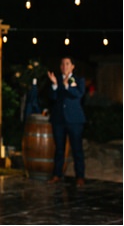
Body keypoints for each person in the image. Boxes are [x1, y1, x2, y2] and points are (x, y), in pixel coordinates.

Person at [47, 57, 86, 187]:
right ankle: (57, 174)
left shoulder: (79, 80)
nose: (64, 66)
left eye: (67, 64)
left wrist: (67, 86)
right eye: (62, 64)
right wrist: (54, 85)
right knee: (59, 149)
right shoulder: (57, 79)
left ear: (73, 66)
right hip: (59, 120)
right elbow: (53, 97)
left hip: (74, 120)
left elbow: (79, 94)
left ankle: (80, 176)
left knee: (77, 149)